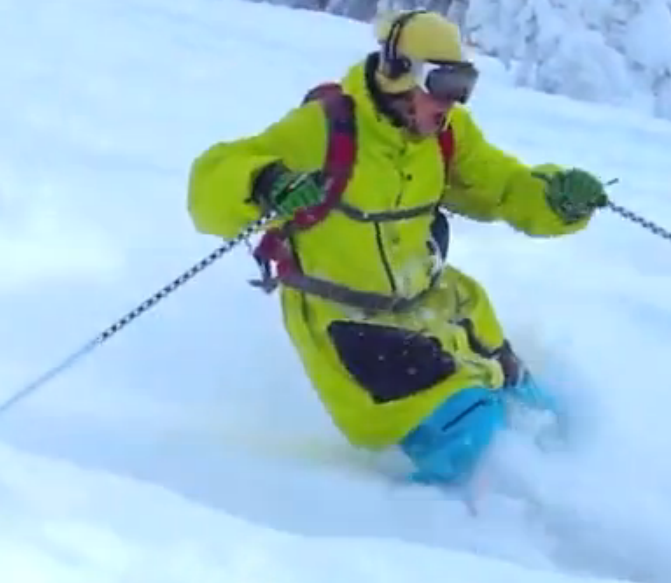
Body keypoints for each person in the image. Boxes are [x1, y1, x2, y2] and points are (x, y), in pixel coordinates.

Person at [187, 9, 609, 487]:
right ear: (396, 73)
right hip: (352, 325)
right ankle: (433, 529)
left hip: (443, 309)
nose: (453, 102)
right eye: (443, 82)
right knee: (473, 429)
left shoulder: (446, 137)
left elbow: (504, 188)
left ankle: (585, 510)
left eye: (464, 84)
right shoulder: (324, 130)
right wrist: (266, 181)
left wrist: (556, 197)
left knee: (538, 412)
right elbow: (209, 183)